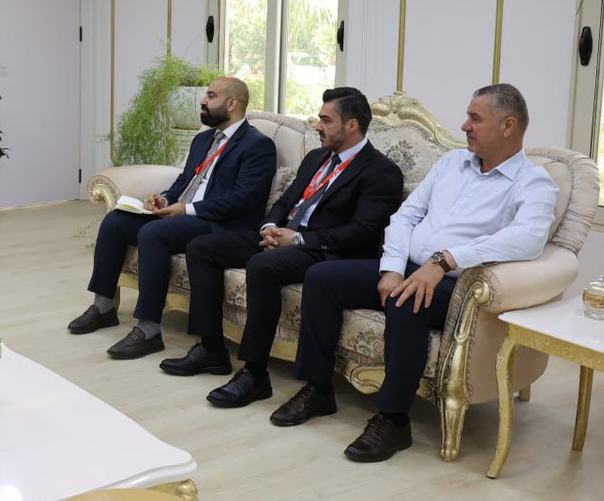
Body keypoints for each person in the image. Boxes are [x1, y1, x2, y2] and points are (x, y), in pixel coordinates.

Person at [271, 83, 558, 462]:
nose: (465, 126)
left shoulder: (534, 183)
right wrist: (390, 268)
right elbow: (406, 216)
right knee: (323, 278)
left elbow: (528, 240)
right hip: (405, 265)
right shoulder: (453, 163)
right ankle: (319, 389)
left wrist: (443, 261)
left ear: (508, 126)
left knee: (409, 301)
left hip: (456, 284)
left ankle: (393, 421)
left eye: (475, 119)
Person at [160, 87, 404, 409]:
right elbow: (287, 201)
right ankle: (212, 348)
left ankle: (254, 374)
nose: (317, 126)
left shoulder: (381, 171)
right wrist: (269, 227)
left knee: (262, 266)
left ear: (351, 125)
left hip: (326, 249)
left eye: (325, 120)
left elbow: (363, 232)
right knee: (203, 247)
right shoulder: (317, 158)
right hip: (286, 236)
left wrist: (298, 239)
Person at [68, 76, 277, 359]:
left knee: (153, 234)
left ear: (232, 103)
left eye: (210, 95)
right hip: (184, 216)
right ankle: (104, 307)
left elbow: (244, 200)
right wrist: (165, 199)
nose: (203, 100)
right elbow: (185, 182)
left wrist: (187, 209)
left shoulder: (257, 145)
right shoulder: (204, 139)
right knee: (116, 221)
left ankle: (148, 330)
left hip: (218, 225)